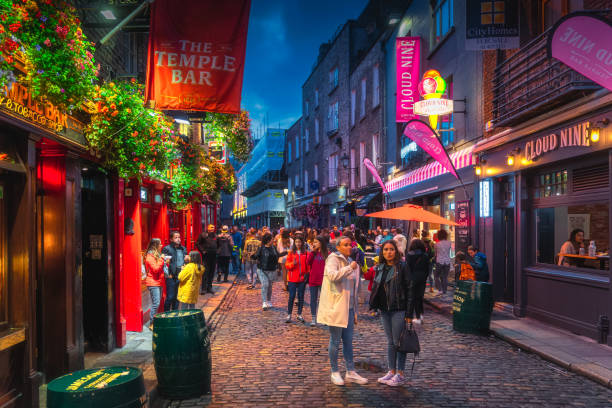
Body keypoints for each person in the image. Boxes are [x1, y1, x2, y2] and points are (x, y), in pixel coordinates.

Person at [317, 236, 369, 386]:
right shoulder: (333, 259)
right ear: (338, 247)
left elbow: (353, 288)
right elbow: (333, 276)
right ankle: (335, 371)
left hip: (349, 308)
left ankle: (350, 371)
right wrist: (349, 268)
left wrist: (356, 311)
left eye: (350, 245)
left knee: (348, 341)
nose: (349, 247)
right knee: (335, 340)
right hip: (336, 307)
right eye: (345, 245)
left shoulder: (350, 261)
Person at [369, 240, 413, 387]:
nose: (388, 252)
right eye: (386, 249)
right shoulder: (380, 267)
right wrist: (374, 305)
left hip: (398, 309)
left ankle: (400, 373)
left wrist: (409, 312)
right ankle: (391, 371)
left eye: (391, 249)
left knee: (398, 342)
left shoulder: (402, 267)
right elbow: (377, 288)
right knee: (390, 342)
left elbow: (410, 289)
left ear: (396, 251)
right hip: (384, 309)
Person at [252, 233, 284, 310]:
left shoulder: (273, 248)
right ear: (268, 240)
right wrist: (252, 256)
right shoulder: (261, 248)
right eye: (272, 239)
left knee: (269, 286)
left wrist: (287, 252)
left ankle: (268, 301)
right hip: (262, 270)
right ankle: (264, 302)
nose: (273, 240)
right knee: (265, 284)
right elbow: (256, 256)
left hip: (271, 270)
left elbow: (278, 255)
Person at [285, 236, 309, 323]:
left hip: (302, 279)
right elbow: (287, 265)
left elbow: (308, 266)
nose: (298, 243)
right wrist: (292, 264)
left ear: (302, 243)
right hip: (292, 279)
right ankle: (289, 315)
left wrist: (307, 274)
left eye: (299, 242)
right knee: (291, 296)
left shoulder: (306, 253)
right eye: (296, 242)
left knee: (301, 297)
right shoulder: (291, 253)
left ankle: (299, 314)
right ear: (294, 243)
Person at [144, 238, 166, 330]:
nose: (161, 246)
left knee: (157, 302)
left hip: (158, 282)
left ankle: (155, 321)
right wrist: (162, 259)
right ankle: (152, 323)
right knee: (156, 303)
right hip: (153, 282)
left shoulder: (156, 255)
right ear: (156, 245)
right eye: (160, 244)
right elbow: (156, 269)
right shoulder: (150, 256)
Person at [406, 238, 429, 324]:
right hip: (422, 278)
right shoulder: (425, 255)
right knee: (419, 297)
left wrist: (409, 279)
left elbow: (408, 269)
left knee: (411, 298)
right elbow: (427, 269)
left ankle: (409, 317)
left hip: (413, 278)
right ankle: (420, 316)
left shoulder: (409, 255)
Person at [162, 231, 186, 312]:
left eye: (179, 237)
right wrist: (167, 274)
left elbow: (185, 261)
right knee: (170, 296)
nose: (178, 239)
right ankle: (166, 314)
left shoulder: (183, 248)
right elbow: (164, 263)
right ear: (171, 239)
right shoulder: (167, 249)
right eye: (176, 237)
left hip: (181, 274)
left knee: (177, 297)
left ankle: (175, 314)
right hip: (171, 276)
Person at [306, 236, 327, 326]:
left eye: (316, 242)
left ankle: (324, 318)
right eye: (313, 242)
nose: (314, 244)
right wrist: (312, 252)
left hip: (324, 280)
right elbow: (308, 262)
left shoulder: (327, 253)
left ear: (321, 243)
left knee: (324, 300)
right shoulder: (313, 254)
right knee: (313, 300)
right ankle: (314, 318)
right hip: (313, 280)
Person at [197, 225, 218, 294]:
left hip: (214, 256)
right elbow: (198, 244)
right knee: (205, 272)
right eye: (211, 227)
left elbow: (219, 245)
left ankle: (209, 288)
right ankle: (203, 288)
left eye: (213, 227)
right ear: (207, 228)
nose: (213, 228)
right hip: (206, 256)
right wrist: (202, 250)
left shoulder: (216, 236)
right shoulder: (203, 235)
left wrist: (218, 251)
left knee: (212, 272)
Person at [434, 229, 452, 294]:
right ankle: (444, 291)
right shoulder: (449, 243)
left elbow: (435, 254)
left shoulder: (436, 244)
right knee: (445, 277)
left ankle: (440, 289)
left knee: (436, 276)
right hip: (447, 262)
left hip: (439, 261)